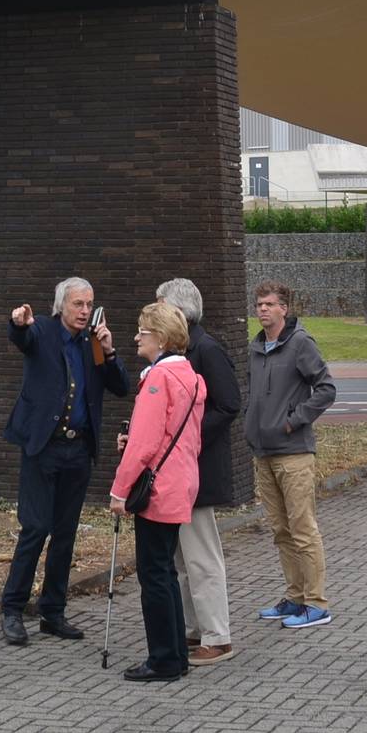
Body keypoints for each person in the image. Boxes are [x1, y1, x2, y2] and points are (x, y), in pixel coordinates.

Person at [0, 276, 128, 647]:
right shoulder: (41, 329)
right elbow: (21, 338)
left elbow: (120, 387)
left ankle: (52, 612)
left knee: (65, 535)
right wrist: (17, 323)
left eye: (89, 305)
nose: (85, 311)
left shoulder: (94, 344)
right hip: (43, 447)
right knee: (35, 528)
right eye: (78, 305)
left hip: (78, 451)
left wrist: (110, 350)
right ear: (61, 306)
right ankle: (12, 608)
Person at [109, 300, 206, 682]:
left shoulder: (157, 379)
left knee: (154, 574)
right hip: (182, 481)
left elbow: (144, 444)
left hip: (158, 489)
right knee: (165, 570)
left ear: (161, 338)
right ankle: (177, 654)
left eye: (142, 331)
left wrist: (120, 490)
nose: (136, 336)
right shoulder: (192, 377)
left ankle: (163, 658)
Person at [155, 277, 241, 667]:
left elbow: (228, 405)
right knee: (181, 559)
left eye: (160, 308)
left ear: (178, 313)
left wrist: (184, 434)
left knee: (202, 556)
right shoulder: (181, 353)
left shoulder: (207, 350)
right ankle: (194, 629)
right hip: (180, 471)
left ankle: (217, 636)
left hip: (199, 471)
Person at [247, 280, 337, 629]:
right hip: (263, 452)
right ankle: (294, 597)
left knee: (303, 529)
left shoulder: (300, 344)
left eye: (269, 304)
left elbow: (326, 389)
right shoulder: (256, 348)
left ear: (284, 308)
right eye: (259, 304)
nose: (263, 310)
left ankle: (316, 603)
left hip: (294, 453)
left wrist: (293, 421)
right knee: (280, 530)